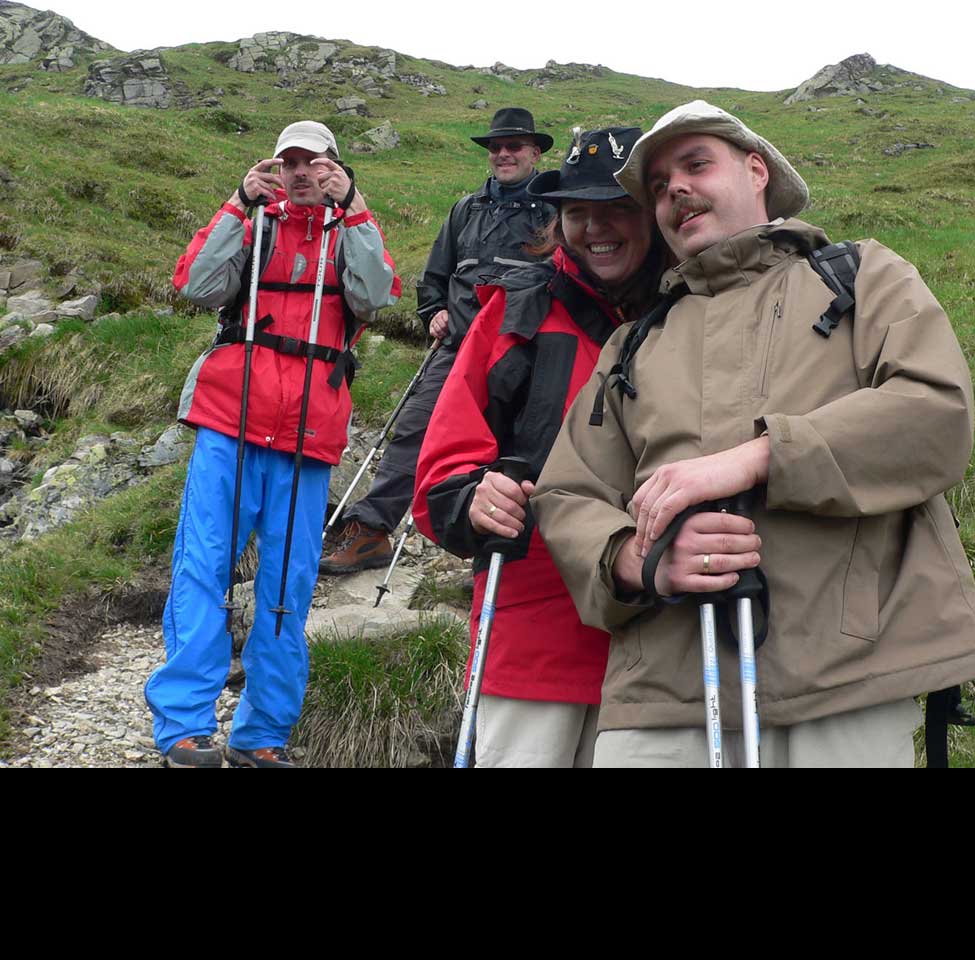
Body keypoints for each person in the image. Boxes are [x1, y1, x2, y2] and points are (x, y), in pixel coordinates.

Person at [532, 101, 975, 768]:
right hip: (661, 695)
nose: (675, 190)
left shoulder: (865, 276)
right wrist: (638, 560)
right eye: (659, 186)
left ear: (757, 172)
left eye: (696, 165)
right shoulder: (631, 344)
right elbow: (568, 492)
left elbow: (936, 412)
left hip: (848, 681)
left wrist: (759, 458)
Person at [145, 120, 401, 767]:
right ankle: (183, 726)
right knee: (203, 568)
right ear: (277, 169)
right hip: (230, 421)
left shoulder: (350, 230)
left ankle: (262, 734)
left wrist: (356, 210)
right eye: (290, 162)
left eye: (314, 162)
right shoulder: (254, 223)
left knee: (289, 581)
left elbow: (374, 297)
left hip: (307, 434)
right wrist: (237, 203)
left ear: (335, 168)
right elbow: (196, 285)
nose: (301, 172)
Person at [413, 127, 665, 767]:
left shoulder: (696, 313)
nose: (595, 227)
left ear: (654, 213)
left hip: (666, 646)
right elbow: (443, 466)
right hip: (534, 637)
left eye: (617, 207)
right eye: (576, 211)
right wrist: (473, 498)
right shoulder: (517, 312)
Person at [320, 107, 556, 573]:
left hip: (526, 349)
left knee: (517, 446)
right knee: (414, 429)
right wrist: (435, 311)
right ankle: (371, 532)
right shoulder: (466, 210)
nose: (503, 154)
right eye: (496, 147)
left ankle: (505, 559)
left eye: (514, 146)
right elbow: (435, 276)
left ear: (535, 153)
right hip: (458, 347)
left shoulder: (553, 211)